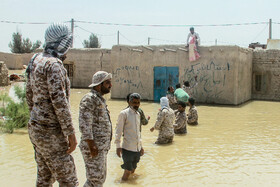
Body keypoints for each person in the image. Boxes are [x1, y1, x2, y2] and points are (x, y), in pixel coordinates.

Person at [26, 23, 78, 186]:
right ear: (63, 43)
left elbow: (29, 94)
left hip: (36, 129)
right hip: (51, 132)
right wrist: (71, 134)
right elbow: (59, 102)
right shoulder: (53, 64)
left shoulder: (35, 60)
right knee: (69, 181)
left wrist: (36, 118)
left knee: (45, 178)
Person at [79, 71, 113, 187]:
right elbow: (84, 123)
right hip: (94, 146)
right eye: (107, 82)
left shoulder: (99, 99)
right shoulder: (89, 99)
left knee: (99, 178)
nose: (110, 85)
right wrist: (91, 143)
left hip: (100, 146)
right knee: (95, 179)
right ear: (99, 85)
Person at [115, 93, 144, 181]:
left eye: (138, 103)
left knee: (133, 169)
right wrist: (118, 146)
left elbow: (138, 133)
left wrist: (141, 147)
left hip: (137, 149)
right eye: (134, 102)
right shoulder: (124, 114)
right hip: (127, 148)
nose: (136, 105)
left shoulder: (138, 114)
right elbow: (118, 130)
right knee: (127, 172)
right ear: (129, 102)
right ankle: (123, 184)